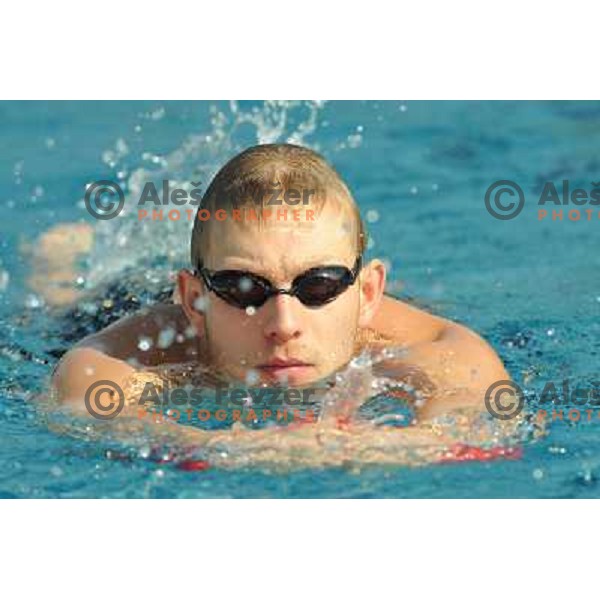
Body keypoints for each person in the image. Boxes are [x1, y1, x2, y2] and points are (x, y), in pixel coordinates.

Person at [47, 144, 517, 467]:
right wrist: (246, 447)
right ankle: (56, 266)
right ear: (195, 299)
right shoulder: (145, 351)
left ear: (368, 293)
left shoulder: (430, 347)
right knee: (65, 305)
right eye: (245, 289)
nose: (283, 324)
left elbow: (474, 416)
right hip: (132, 299)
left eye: (319, 286)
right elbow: (85, 404)